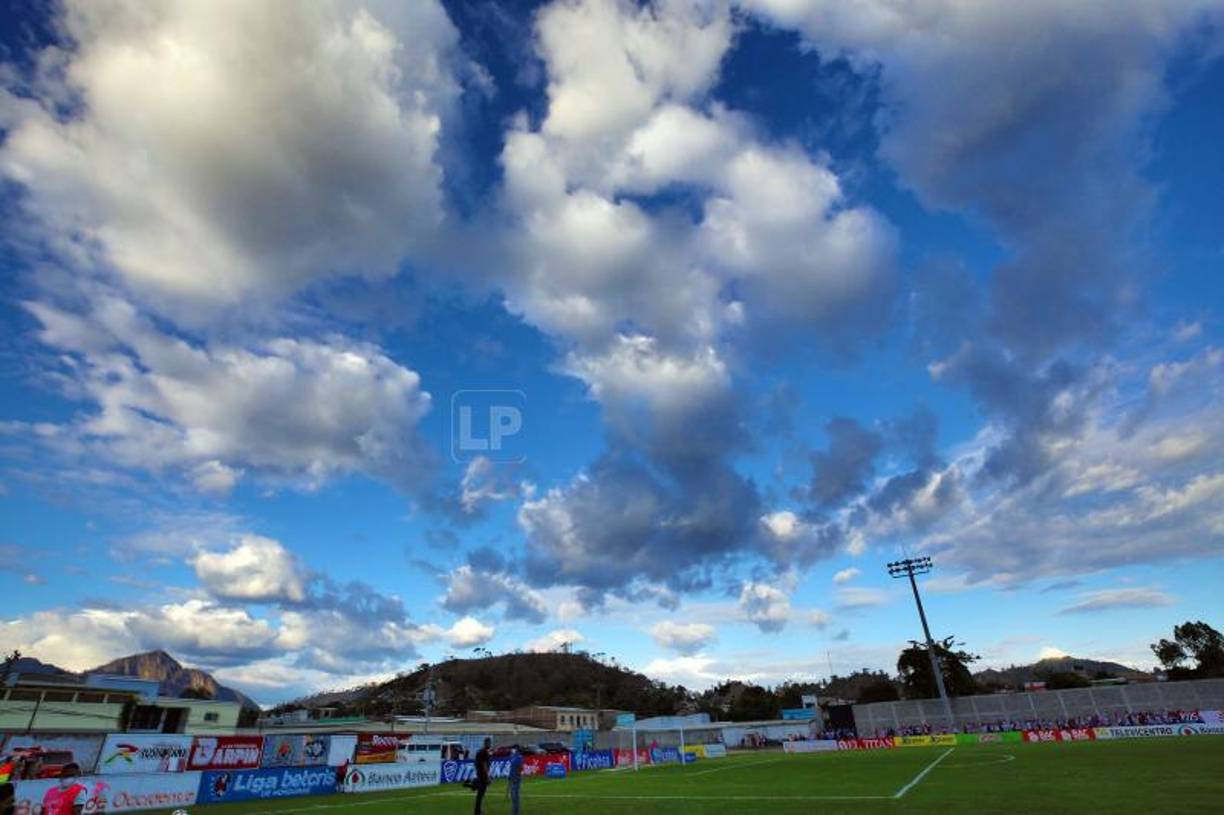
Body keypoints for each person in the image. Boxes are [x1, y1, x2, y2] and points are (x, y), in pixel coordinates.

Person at [472, 737, 491, 815]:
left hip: (479, 775)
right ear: (486, 743)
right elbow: (485, 765)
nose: (489, 744)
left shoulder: (479, 752)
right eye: (489, 743)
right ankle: (478, 811)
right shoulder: (484, 752)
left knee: (480, 795)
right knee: (480, 795)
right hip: (483, 776)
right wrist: (487, 777)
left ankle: (478, 810)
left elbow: (476, 764)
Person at [507, 744, 524, 815]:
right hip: (511, 777)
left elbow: (520, 768)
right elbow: (511, 766)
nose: (512, 750)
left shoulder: (519, 757)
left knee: (515, 796)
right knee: (512, 796)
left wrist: (518, 775)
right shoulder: (512, 756)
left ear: (516, 749)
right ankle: (514, 811)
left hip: (516, 778)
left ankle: (516, 812)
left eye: (513, 749)